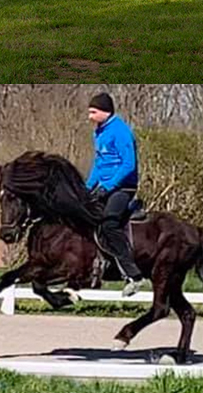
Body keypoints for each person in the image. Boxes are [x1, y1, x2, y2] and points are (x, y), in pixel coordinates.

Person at [85, 92, 144, 297]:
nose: (90, 116)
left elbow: (129, 164)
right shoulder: (99, 132)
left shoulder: (121, 132)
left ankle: (133, 275)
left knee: (109, 224)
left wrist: (108, 186)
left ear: (105, 112)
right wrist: (88, 188)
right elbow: (99, 164)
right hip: (104, 185)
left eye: (93, 112)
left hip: (123, 188)